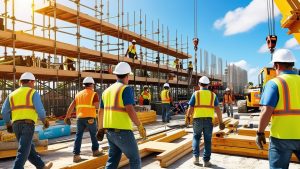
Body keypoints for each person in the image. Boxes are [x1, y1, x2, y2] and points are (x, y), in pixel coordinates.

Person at [96, 62, 146, 169]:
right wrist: (139, 125)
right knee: (135, 160)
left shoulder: (106, 91)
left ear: (116, 75)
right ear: (127, 75)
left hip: (110, 132)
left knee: (113, 160)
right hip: (123, 132)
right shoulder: (125, 89)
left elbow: (100, 112)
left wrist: (100, 128)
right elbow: (130, 109)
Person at [256, 49, 300, 169]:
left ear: (276, 65)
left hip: (281, 138)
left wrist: (260, 132)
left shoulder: (274, 83)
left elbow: (266, 111)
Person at [1, 72, 52, 169]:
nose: (34, 85)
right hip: (27, 125)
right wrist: (44, 120)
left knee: (28, 147)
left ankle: (41, 166)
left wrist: (8, 124)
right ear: (30, 81)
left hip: (16, 126)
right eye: (34, 82)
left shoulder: (12, 94)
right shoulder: (32, 92)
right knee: (23, 150)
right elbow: (40, 109)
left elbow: (4, 111)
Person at [185, 76, 225, 167]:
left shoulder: (196, 94)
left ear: (199, 84)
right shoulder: (213, 95)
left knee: (196, 138)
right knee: (207, 140)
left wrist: (188, 117)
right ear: (208, 85)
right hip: (208, 121)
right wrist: (221, 121)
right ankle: (206, 161)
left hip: (197, 120)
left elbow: (190, 108)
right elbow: (218, 110)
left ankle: (196, 158)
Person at [64, 77, 102, 163]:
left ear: (84, 85)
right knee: (93, 135)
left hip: (79, 118)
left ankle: (76, 156)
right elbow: (97, 106)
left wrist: (67, 116)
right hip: (90, 118)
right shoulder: (93, 94)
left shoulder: (78, 94)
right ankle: (95, 151)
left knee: (78, 136)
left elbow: (71, 106)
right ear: (92, 84)